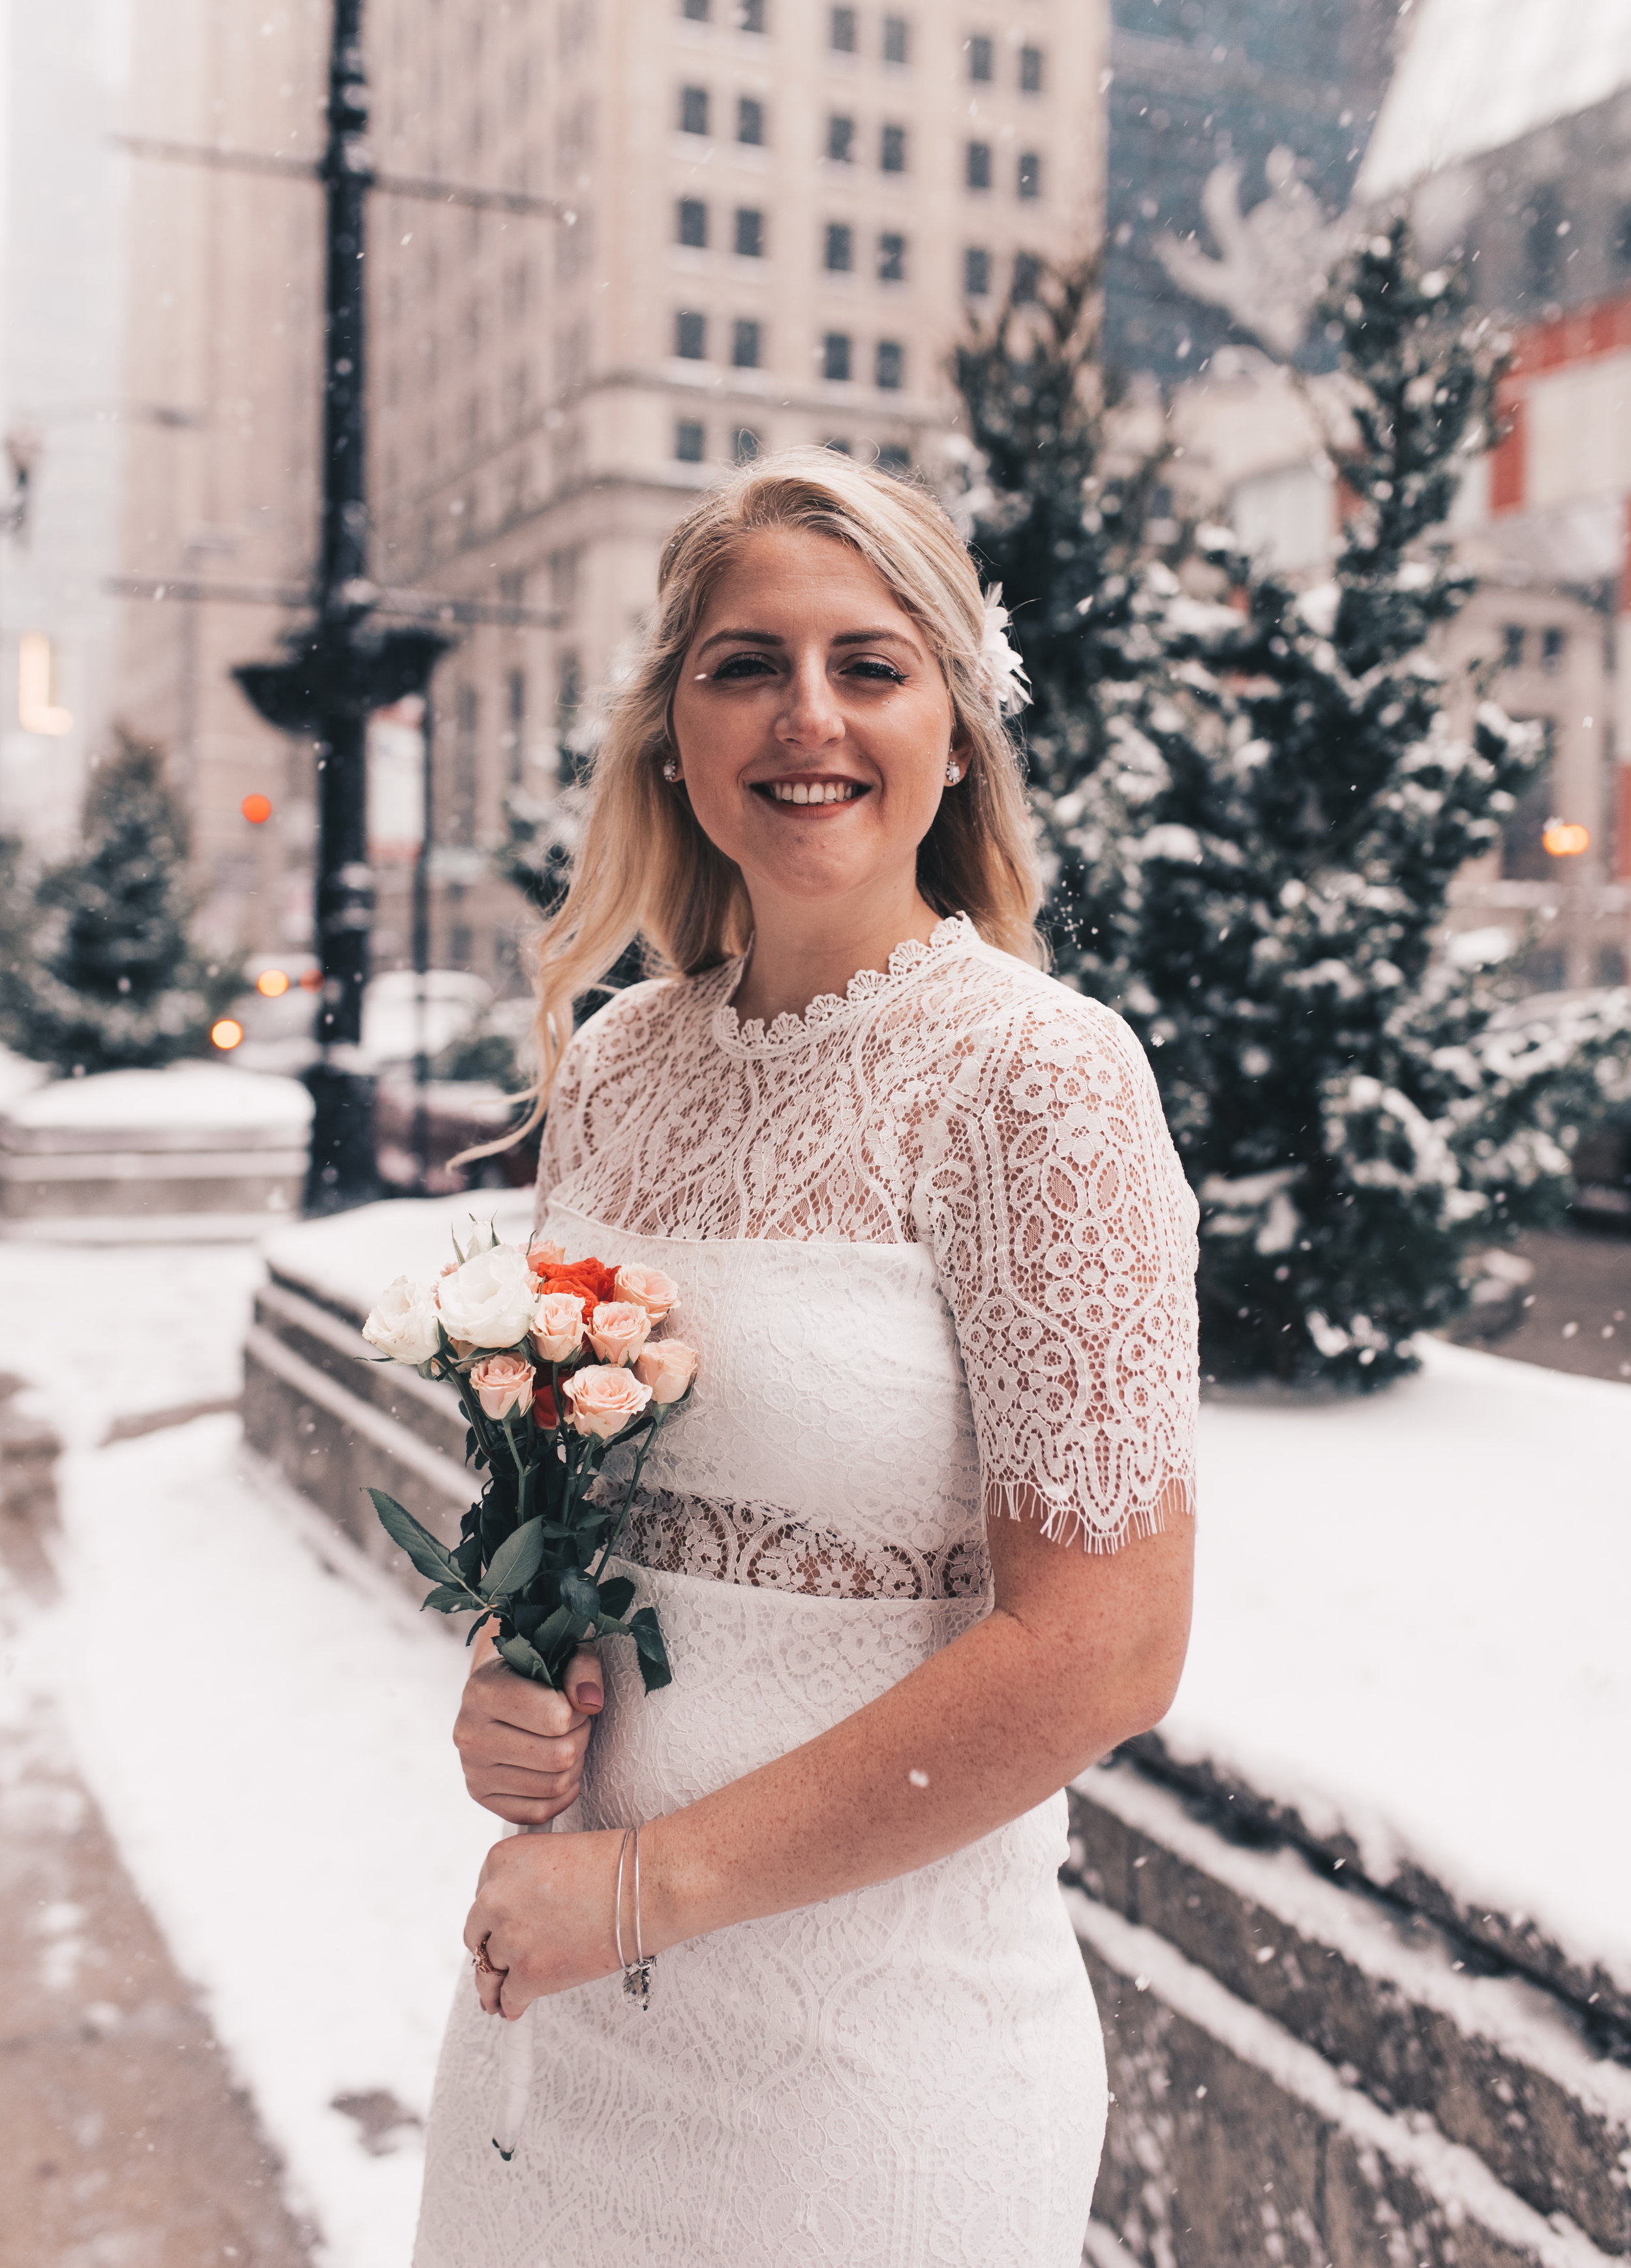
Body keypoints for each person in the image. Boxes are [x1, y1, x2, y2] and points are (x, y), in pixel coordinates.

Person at [413, 449, 1198, 2267]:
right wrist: (505, 1664)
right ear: (672, 727)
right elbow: (584, 1497)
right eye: (744, 663)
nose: (806, 716)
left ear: (954, 728)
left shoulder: (1040, 1079)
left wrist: (642, 1884)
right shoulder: (617, 1065)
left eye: (869, 663)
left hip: (868, 2068)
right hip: (558, 2034)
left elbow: (1105, 1643)